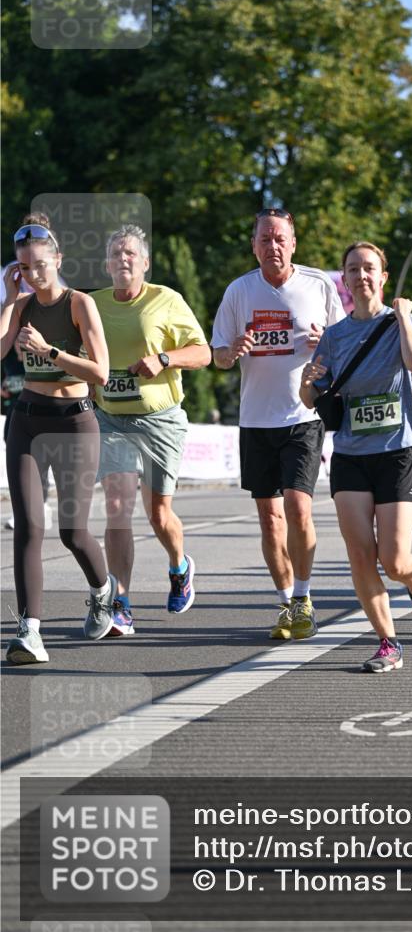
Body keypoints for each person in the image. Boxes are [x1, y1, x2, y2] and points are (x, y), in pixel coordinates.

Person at [299, 241, 412, 673]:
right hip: (350, 454)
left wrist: (402, 315)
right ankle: (388, 642)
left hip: (397, 451)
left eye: (369, 269)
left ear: (382, 276)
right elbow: (310, 398)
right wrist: (308, 380)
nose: (361, 275)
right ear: (344, 280)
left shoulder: (401, 320)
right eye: (353, 269)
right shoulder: (335, 335)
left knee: (395, 559)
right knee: (360, 555)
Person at [211, 208, 344, 640]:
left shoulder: (319, 284)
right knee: (270, 519)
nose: (274, 247)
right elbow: (219, 357)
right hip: (255, 419)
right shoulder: (239, 290)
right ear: (254, 245)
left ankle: (304, 597)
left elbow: (346, 345)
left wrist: (325, 343)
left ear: (294, 243)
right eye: (265, 239)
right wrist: (233, 349)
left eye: (281, 238)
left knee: (298, 507)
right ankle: (286, 601)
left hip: (302, 414)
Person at [1, 214, 116, 663]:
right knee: (29, 525)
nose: (34, 273)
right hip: (27, 419)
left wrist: (50, 351)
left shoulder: (78, 303)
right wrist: (10, 300)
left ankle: (102, 591)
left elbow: (101, 373)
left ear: (58, 259)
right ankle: (29, 631)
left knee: (72, 531)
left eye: (41, 265)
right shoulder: (21, 305)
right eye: (25, 267)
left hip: (74, 421)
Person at [92, 224, 211, 633]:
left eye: (130, 253)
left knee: (158, 513)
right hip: (110, 418)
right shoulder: (92, 304)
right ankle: (120, 602)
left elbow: (203, 353)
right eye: (115, 253)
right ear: (106, 265)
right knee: (117, 506)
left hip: (160, 419)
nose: (123, 259)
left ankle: (179, 567)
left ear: (145, 263)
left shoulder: (166, 300)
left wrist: (164, 358)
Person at [2, 339, 52, 530]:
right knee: (18, 464)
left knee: (40, 463)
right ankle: (23, 512)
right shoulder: (7, 358)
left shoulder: (37, 358)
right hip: (14, 415)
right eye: (15, 340)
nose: (18, 345)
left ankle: (42, 505)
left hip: (39, 414)